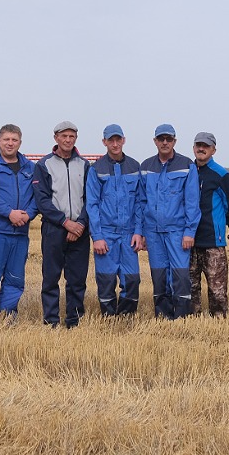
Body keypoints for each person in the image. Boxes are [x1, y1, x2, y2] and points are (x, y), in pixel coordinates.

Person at [0, 123, 37, 324]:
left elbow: (38, 196)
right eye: (6, 139)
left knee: (15, 280)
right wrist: (9, 213)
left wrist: (28, 215)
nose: (10, 143)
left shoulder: (30, 167)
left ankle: (7, 320)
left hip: (20, 233)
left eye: (14, 140)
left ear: (20, 142)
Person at [138, 123, 201, 320]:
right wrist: (142, 232)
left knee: (180, 276)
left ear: (175, 141)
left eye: (169, 139)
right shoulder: (146, 167)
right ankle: (163, 318)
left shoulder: (187, 165)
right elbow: (141, 202)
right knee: (159, 276)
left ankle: (181, 318)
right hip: (153, 232)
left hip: (177, 232)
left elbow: (192, 202)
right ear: (155, 141)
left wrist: (189, 231)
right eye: (161, 139)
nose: (165, 142)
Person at [34, 121, 90, 328]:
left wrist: (80, 224)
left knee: (77, 279)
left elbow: (90, 198)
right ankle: (51, 321)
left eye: (71, 136)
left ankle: (75, 320)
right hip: (54, 229)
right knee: (51, 277)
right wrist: (66, 223)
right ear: (55, 138)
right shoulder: (43, 165)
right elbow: (42, 201)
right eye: (64, 136)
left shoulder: (84, 165)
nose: (67, 140)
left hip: (80, 230)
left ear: (76, 138)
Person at [86, 124, 144, 317]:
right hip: (106, 234)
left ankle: (127, 317)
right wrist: (97, 236)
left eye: (118, 139)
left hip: (129, 235)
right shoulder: (97, 169)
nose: (115, 144)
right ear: (104, 142)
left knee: (132, 279)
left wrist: (138, 231)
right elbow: (92, 204)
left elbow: (139, 203)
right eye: (111, 140)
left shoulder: (134, 167)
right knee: (106, 279)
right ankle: (109, 318)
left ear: (124, 140)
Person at [189, 132, 229, 316]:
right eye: (198, 145)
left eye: (206, 146)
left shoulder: (221, 175)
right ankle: (192, 321)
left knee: (217, 291)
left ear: (213, 150)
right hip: (189, 241)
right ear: (193, 148)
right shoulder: (187, 172)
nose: (201, 149)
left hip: (213, 241)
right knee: (190, 288)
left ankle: (219, 322)